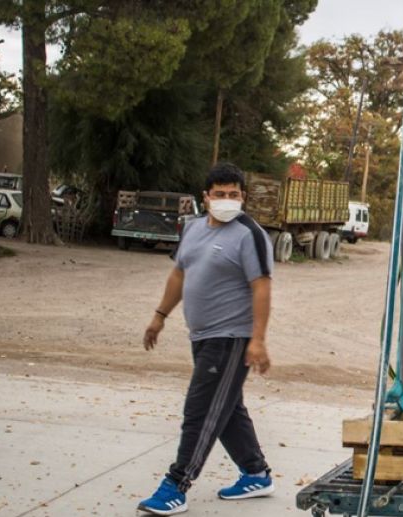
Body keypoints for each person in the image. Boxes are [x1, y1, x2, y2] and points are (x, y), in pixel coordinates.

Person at [137, 162, 275, 515]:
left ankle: (176, 485)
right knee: (226, 407)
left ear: (243, 197)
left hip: (231, 337)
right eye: (220, 194)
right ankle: (256, 473)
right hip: (201, 336)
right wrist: (159, 316)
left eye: (234, 194)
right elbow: (179, 274)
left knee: (200, 410)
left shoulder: (249, 234)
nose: (227, 200)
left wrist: (257, 339)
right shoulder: (193, 228)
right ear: (206, 197)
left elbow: (261, 286)